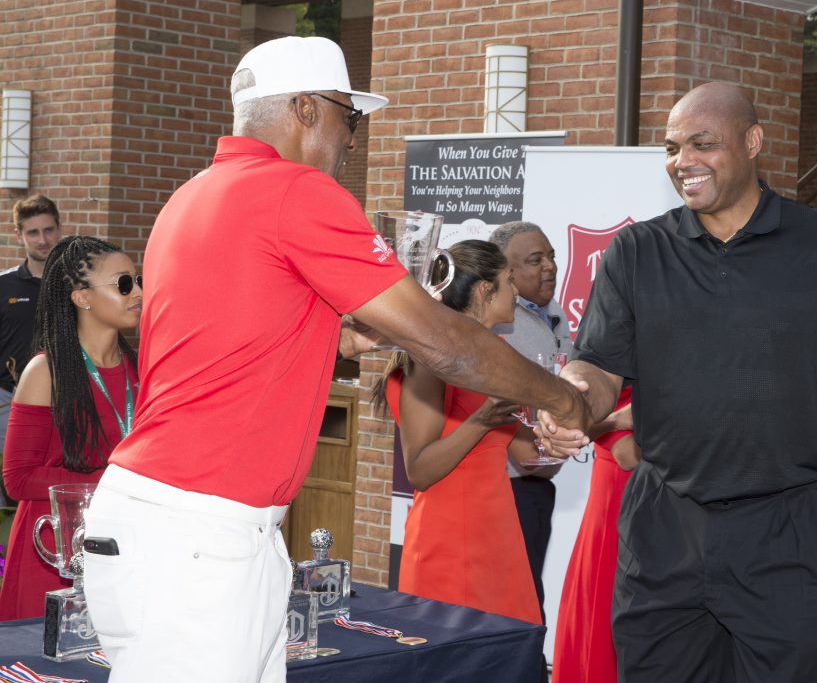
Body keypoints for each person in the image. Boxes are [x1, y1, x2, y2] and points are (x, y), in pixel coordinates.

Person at [82, 36, 588, 683]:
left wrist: (349, 337)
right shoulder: (296, 191)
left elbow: (238, 344)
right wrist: (563, 398)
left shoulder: (193, 196)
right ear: (302, 107)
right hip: (202, 533)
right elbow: (447, 342)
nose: (354, 138)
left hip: (172, 521)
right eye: (349, 117)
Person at [540, 81, 817, 682]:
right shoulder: (637, 251)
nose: (682, 161)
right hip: (667, 527)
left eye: (702, 143)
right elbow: (599, 367)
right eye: (671, 147)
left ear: (752, 143)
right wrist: (569, 398)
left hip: (797, 531)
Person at [375, 239, 541, 625]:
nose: (517, 291)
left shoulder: (494, 356)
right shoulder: (429, 359)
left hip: (499, 534)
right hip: (448, 539)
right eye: (509, 281)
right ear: (485, 290)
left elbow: (526, 456)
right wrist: (482, 420)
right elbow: (420, 470)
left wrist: (559, 436)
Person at [0, 236, 140, 619]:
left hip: (124, 545)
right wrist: (112, 486)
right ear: (82, 298)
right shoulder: (45, 371)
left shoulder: (143, 369)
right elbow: (18, 478)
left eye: (138, 280)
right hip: (52, 551)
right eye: (124, 284)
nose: (138, 292)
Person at [489, 221, 572, 619]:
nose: (550, 267)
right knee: (514, 612)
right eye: (535, 260)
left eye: (552, 256)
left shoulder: (555, 317)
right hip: (505, 489)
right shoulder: (496, 327)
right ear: (504, 272)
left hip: (539, 483)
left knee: (529, 606)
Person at [551, 389, 635, 683]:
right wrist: (617, 422)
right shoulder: (608, 368)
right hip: (617, 504)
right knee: (603, 623)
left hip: (654, 503)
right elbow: (628, 454)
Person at [0, 195, 62, 505]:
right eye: (33, 232)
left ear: (59, 230)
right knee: (7, 491)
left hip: (64, 402)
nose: (43, 239)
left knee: (48, 486)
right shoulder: (4, 287)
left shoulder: (75, 285)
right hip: (7, 404)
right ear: (18, 235)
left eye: (49, 230)